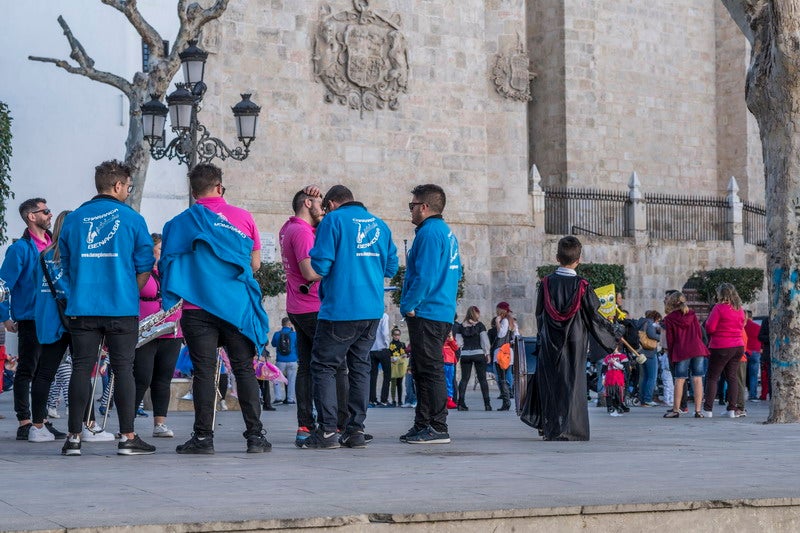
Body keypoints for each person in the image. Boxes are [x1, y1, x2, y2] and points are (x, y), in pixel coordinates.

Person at [160, 163, 271, 454]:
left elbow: (169, 264)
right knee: (244, 370)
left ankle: (203, 439)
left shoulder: (180, 223)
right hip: (236, 308)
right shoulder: (243, 217)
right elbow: (254, 264)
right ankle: (255, 438)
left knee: (204, 372)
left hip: (197, 308)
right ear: (219, 187)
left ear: (193, 191)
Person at [59, 160, 156, 456]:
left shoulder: (74, 219)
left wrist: (80, 290)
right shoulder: (133, 219)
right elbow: (145, 265)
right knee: (123, 369)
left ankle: (74, 438)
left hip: (83, 306)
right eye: (128, 187)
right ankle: (127, 437)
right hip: (121, 308)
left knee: (81, 368)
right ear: (117, 185)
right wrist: (128, 291)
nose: (128, 191)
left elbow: (65, 265)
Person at [303, 185, 398, 449]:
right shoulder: (380, 224)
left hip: (341, 308)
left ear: (332, 204)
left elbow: (321, 265)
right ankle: (355, 430)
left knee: (324, 366)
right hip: (372, 310)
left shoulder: (333, 220)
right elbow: (391, 267)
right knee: (360, 367)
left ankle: (326, 431)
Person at [520, 236, 617, 441]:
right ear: (578, 260)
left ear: (557, 257)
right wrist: (612, 333)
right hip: (575, 340)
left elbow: (540, 314)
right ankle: (572, 428)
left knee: (551, 382)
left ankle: (550, 428)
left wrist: (543, 336)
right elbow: (593, 316)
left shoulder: (546, 283)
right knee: (573, 383)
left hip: (550, 340)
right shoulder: (582, 285)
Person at [279, 186, 349, 447]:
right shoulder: (302, 232)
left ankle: (305, 425)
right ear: (307, 203)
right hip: (313, 307)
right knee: (335, 367)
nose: (324, 209)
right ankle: (337, 425)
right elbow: (310, 272)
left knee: (307, 367)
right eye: (320, 203)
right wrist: (340, 268)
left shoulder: (289, 227)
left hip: (298, 307)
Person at [399, 184, 461, 445]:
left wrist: (408, 304)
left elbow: (424, 275)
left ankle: (437, 425)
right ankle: (423, 422)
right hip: (440, 310)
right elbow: (455, 272)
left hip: (428, 311)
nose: (411, 210)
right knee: (423, 370)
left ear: (424, 207)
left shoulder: (429, 233)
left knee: (430, 370)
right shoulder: (446, 233)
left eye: (412, 205)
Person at [0, 197, 62, 441]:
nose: (50, 215)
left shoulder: (54, 245)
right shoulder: (20, 249)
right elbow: (3, 285)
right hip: (30, 318)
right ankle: (25, 422)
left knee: (46, 371)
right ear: (31, 216)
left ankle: (41, 420)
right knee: (27, 369)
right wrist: (5, 316)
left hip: (52, 318)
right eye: (45, 211)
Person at [27, 210, 72, 443]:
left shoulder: (43, 256)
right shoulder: (73, 257)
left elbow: (36, 287)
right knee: (80, 373)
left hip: (47, 320)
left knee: (44, 373)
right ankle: (88, 425)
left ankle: (37, 426)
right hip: (72, 320)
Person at [133, 233, 183, 438]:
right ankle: (127, 423)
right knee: (142, 377)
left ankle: (160, 423)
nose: (165, 252)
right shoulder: (139, 270)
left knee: (163, 379)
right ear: (151, 250)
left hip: (172, 331)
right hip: (145, 331)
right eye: (161, 249)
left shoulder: (172, 271)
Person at [702, 283, 746, 418]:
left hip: (721, 345)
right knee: (732, 377)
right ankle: (732, 409)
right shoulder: (739, 309)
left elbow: (710, 327)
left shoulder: (719, 307)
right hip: (738, 345)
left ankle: (708, 409)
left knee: (712, 377)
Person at [455, 305, 491, 411]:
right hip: (479, 353)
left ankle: (461, 403)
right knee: (482, 379)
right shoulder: (480, 325)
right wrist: (487, 353)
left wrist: (463, 348)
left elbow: (458, 343)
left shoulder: (461, 326)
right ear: (477, 313)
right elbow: (484, 341)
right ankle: (487, 404)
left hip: (465, 354)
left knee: (464, 379)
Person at [490, 302, 518, 411]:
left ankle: (506, 402)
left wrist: (497, 323)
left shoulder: (504, 321)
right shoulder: (512, 321)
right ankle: (507, 400)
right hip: (508, 352)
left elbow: (501, 334)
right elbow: (516, 336)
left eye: (497, 309)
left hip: (501, 352)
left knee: (501, 377)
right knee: (505, 376)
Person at [636, 310, 662, 406]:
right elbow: (652, 335)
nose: (658, 322)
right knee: (652, 377)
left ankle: (643, 399)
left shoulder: (642, 322)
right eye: (658, 320)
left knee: (645, 377)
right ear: (655, 317)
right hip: (649, 352)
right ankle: (647, 399)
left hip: (642, 352)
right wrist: (661, 336)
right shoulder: (650, 323)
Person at [270, 317, 298, 404]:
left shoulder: (277, 334)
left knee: (276, 378)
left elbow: (273, 344)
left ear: (282, 324)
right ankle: (290, 399)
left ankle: (278, 398)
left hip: (280, 360)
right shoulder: (294, 334)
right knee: (291, 380)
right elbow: (298, 346)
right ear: (289, 324)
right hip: (292, 360)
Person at [369, 312, 391, 407]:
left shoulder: (370, 314)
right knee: (387, 375)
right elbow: (385, 332)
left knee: (372, 376)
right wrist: (387, 344)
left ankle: (372, 399)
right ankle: (384, 400)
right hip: (382, 348)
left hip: (372, 349)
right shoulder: (384, 316)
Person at [602, 349, 629, 416]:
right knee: (609, 392)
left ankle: (619, 405)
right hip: (609, 377)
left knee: (618, 392)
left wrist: (614, 362)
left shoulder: (622, 356)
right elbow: (604, 369)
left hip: (619, 377)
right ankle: (610, 406)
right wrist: (603, 378)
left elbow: (624, 367)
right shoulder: (607, 357)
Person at [744, 310, 762, 402]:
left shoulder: (742, 327)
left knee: (742, 374)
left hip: (744, 352)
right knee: (753, 375)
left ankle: (739, 395)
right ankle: (753, 395)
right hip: (755, 352)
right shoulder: (757, 327)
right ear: (752, 317)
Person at [389, 328, 408, 406]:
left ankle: (400, 400)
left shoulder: (402, 344)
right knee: (393, 383)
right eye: (395, 335)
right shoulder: (390, 345)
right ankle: (393, 400)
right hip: (393, 365)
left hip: (400, 365)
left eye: (398, 335)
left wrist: (405, 355)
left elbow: (406, 353)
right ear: (392, 335)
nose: (396, 336)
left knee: (400, 383)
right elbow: (388, 354)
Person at [442, 330, 459, 409]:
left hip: (450, 361)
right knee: (443, 382)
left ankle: (449, 399)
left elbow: (456, 348)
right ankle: (443, 400)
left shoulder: (450, 338)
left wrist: (451, 338)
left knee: (449, 381)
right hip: (442, 361)